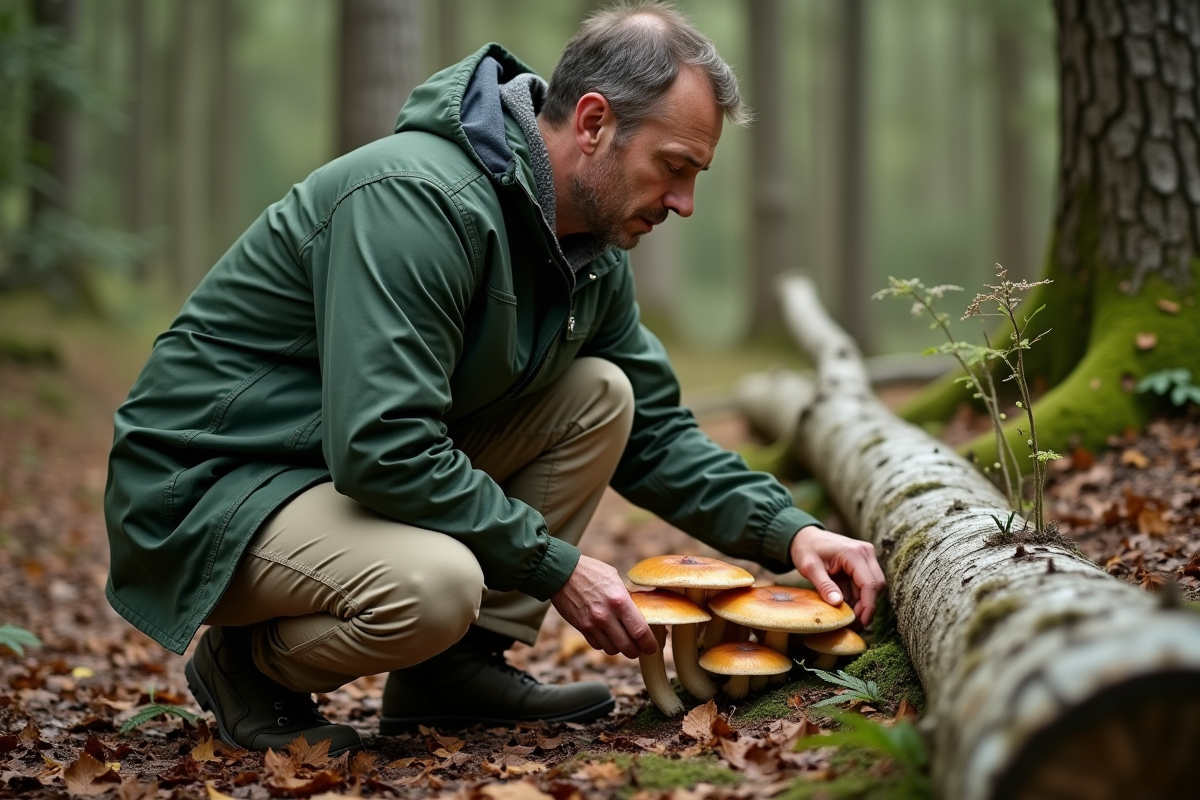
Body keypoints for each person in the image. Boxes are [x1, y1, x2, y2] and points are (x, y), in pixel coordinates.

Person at [104, 1, 886, 756]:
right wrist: (555, 567)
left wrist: (791, 531)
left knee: (601, 395)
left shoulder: (591, 254)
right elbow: (383, 446)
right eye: (673, 167)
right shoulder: (415, 200)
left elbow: (654, 431)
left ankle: (450, 674)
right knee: (434, 587)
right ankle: (245, 670)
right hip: (212, 486)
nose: (683, 203)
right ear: (593, 123)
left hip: (321, 468)